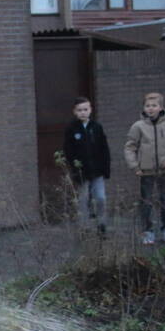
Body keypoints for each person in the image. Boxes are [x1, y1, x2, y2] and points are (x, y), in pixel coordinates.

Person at [124, 92, 165, 245]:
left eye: (154, 105)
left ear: (161, 107)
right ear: (144, 108)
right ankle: (147, 231)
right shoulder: (138, 126)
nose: (150, 109)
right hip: (146, 171)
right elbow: (130, 147)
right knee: (146, 202)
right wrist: (134, 165)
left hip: (164, 170)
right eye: (147, 106)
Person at [63, 97, 111, 235]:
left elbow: (104, 149)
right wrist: (74, 168)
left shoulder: (96, 127)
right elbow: (68, 150)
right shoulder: (71, 129)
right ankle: (84, 227)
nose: (83, 112)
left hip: (97, 170)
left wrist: (106, 168)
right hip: (81, 172)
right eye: (80, 110)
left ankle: (102, 225)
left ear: (90, 110)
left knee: (101, 198)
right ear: (74, 112)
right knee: (83, 200)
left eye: (85, 109)